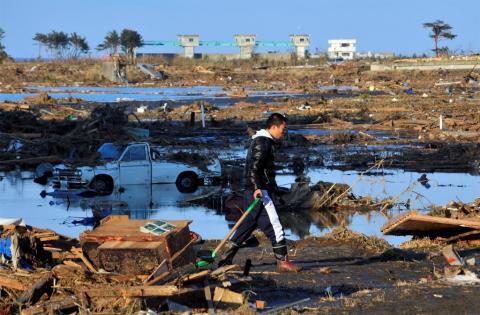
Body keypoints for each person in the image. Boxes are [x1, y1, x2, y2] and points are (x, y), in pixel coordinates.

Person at [218, 113, 302, 272]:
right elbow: (253, 169)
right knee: (275, 227)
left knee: (247, 226)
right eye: (283, 129)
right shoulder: (262, 143)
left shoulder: (264, 141)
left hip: (255, 190)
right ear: (274, 126)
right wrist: (258, 188)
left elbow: (263, 170)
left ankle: (225, 257)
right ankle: (283, 261)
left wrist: (274, 189)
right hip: (259, 192)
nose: (284, 132)